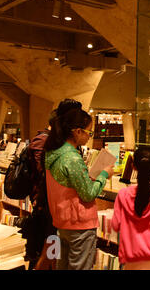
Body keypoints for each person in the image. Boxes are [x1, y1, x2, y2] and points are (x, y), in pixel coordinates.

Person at [44, 108, 113, 270]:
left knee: (63, 266)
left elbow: (67, 184)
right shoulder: (73, 158)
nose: (90, 136)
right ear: (77, 132)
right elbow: (88, 194)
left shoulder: (52, 153)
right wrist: (104, 174)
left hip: (62, 221)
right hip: (80, 224)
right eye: (89, 132)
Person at [24, 99, 83, 270]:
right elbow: (47, 175)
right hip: (51, 210)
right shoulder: (48, 142)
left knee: (54, 253)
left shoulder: (59, 143)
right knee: (49, 253)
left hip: (58, 209)